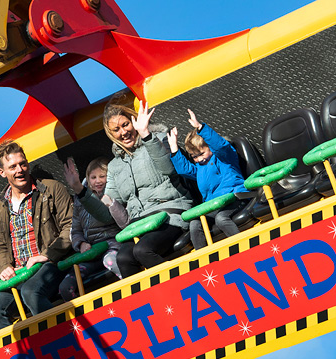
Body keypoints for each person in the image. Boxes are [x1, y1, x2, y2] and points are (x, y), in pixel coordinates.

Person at [65, 95, 194, 278]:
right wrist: (80, 190)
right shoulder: (116, 166)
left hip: (169, 214)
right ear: (110, 134)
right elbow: (105, 212)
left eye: (126, 125)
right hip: (139, 224)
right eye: (116, 129)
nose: (123, 132)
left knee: (142, 250)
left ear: (134, 122)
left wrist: (146, 136)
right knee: (124, 258)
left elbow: (169, 169)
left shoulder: (157, 139)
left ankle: (183, 286)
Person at [0, 140, 73, 332]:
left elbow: (71, 226)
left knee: (31, 292)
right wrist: (4, 267)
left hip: (50, 263)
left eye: (22, 164)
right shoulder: (0, 204)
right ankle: (23, 358)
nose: (20, 170)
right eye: (12, 166)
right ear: (2, 173)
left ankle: (63, 338)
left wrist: (48, 254)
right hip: (18, 273)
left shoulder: (51, 189)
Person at [167, 108, 248, 249]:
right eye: (194, 156)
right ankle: (205, 260)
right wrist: (174, 148)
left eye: (201, 153)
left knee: (221, 219)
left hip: (236, 198)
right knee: (195, 224)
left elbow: (221, 146)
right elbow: (184, 169)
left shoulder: (224, 158)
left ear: (209, 147)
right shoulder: (200, 169)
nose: (198, 159)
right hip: (214, 205)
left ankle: (243, 249)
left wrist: (201, 128)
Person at [59, 156, 124, 301]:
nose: (98, 181)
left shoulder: (112, 193)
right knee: (65, 286)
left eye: (102, 176)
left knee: (111, 262)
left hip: (111, 245)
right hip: (91, 252)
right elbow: (75, 229)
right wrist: (81, 244)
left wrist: (110, 203)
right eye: (93, 177)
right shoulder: (79, 201)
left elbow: (120, 220)